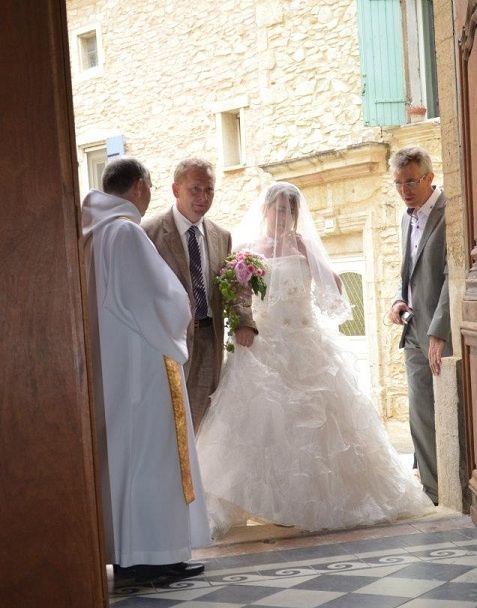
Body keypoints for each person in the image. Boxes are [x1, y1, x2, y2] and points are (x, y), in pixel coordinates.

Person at [197, 181, 434, 538]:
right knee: (265, 421)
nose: (283, 216)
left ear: (295, 215)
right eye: (277, 209)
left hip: (304, 339)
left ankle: (307, 504)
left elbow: (332, 284)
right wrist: (245, 322)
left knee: (320, 422)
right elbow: (235, 294)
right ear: (266, 210)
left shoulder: (303, 245)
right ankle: (267, 503)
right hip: (263, 343)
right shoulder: (246, 249)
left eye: (289, 210)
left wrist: (327, 277)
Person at [82, 156, 209, 581]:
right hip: (143, 366)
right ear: (140, 187)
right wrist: (181, 311)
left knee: (128, 459)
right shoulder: (124, 233)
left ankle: (139, 552)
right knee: (151, 459)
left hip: (115, 366)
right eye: (150, 187)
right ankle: (149, 557)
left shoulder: (92, 233)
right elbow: (157, 299)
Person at [143, 158, 256, 431]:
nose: (203, 198)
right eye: (196, 189)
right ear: (175, 190)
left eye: (210, 190)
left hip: (210, 340)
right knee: (169, 428)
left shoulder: (221, 236)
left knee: (205, 428)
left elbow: (234, 285)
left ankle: (199, 476)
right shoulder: (148, 233)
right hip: (167, 346)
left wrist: (244, 320)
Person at [388, 146, 452, 505]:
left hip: (443, 333)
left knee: (452, 414)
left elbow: (452, 276)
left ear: (429, 177)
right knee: (421, 416)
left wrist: (439, 331)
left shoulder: (449, 212)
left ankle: (457, 491)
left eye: (410, 182)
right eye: (397, 184)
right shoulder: (404, 217)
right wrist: (398, 301)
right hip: (413, 330)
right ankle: (434, 493)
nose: (404, 191)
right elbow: (408, 270)